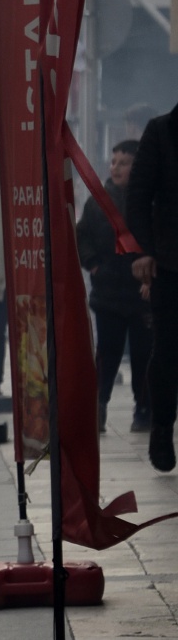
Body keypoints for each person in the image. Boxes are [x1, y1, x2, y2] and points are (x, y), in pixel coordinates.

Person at [76, 140, 152, 432]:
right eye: (114, 162)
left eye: (124, 162)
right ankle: (99, 405)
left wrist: (152, 274)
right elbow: (82, 236)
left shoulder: (149, 200)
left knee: (144, 355)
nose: (116, 168)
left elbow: (160, 238)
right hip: (108, 293)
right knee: (107, 353)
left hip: (141, 293)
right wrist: (93, 263)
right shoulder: (97, 202)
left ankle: (143, 409)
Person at [127, 104, 178, 471]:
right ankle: (162, 426)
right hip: (170, 263)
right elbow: (138, 197)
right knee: (167, 352)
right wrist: (143, 251)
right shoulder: (161, 132)